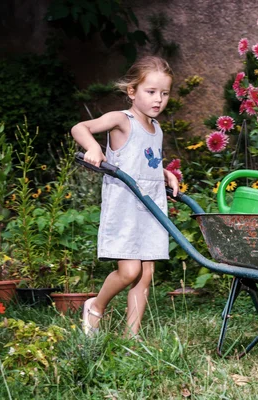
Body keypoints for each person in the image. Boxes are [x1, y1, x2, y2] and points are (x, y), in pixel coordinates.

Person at [71, 56, 179, 338]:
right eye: (151, 92)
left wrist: (165, 173)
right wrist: (93, 147)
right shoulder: (121, 120)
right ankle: (95, 306)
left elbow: (147, 162)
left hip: (152, 205)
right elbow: (79, 128)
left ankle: (131, 337)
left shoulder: (157, 129)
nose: (158, 99)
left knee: (145, 275)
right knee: (129, 271)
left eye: (164, 93)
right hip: (126, 205)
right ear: (132, 91)